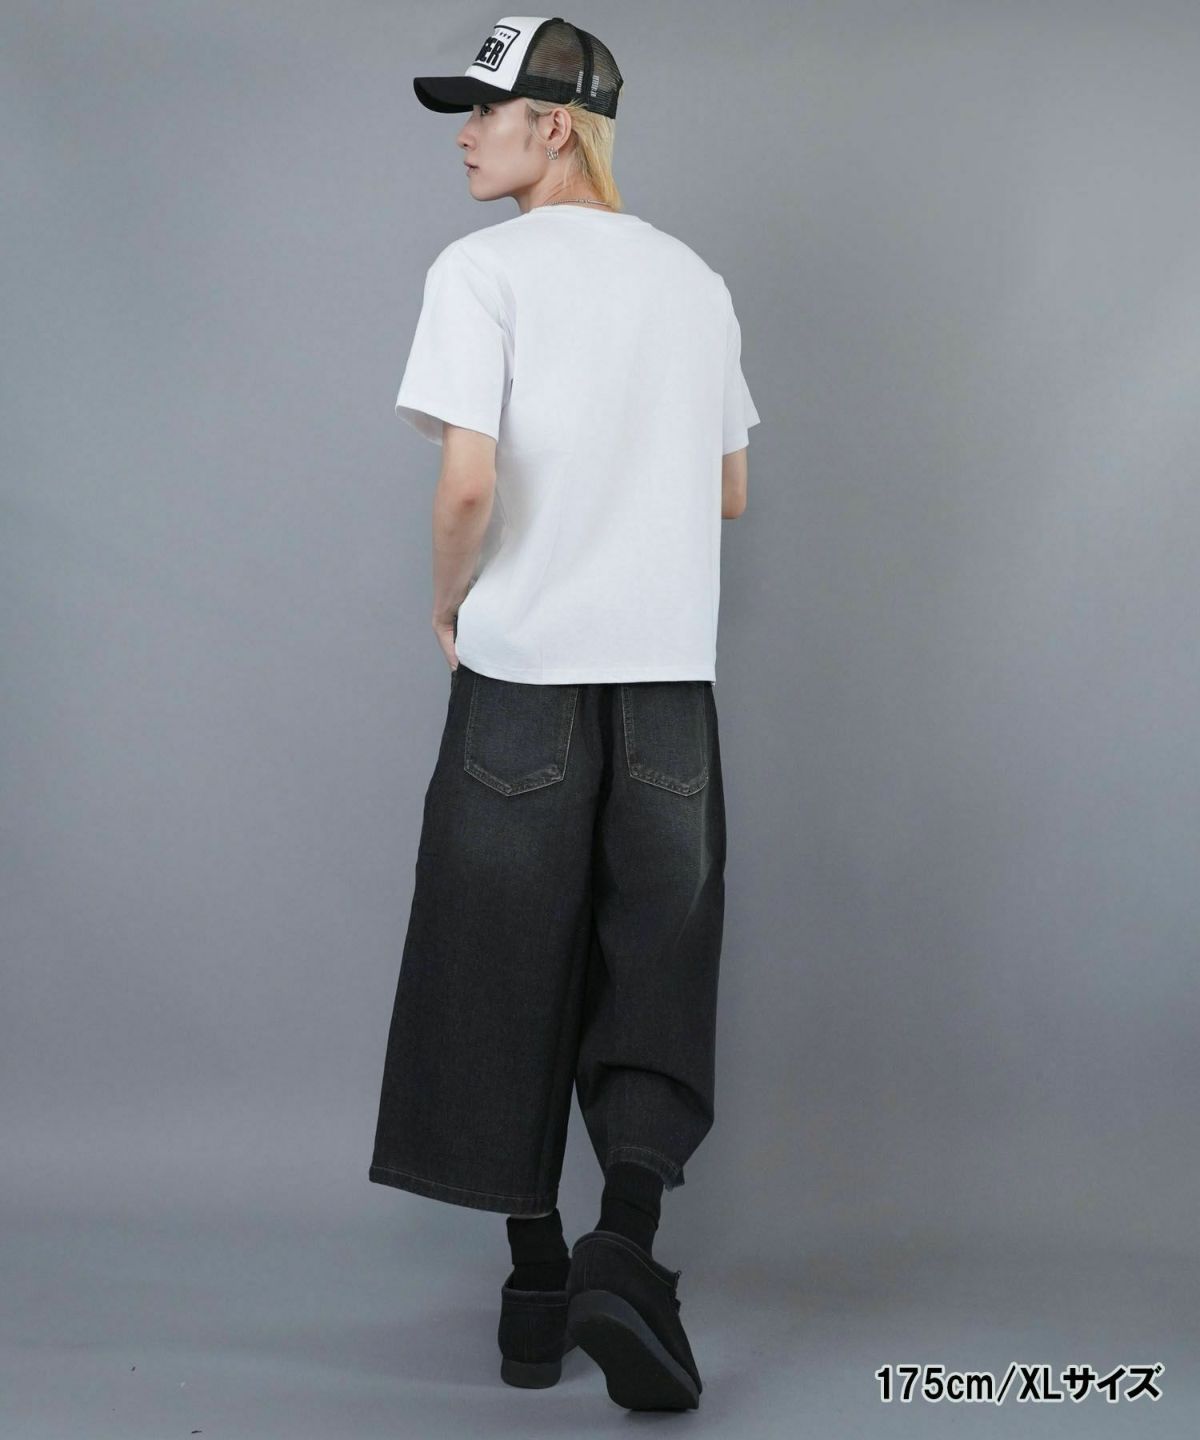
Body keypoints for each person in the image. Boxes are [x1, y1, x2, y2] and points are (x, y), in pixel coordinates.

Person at [367, 15, 761, 1412]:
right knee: (655, 961)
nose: (465, 136)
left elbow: (468, 484)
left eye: (485, 112)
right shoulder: (695, 282)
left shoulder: (481, 272)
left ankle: (536, 1288)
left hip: (523, 675)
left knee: (498, 963)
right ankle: (625, 1251)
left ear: (556, 124)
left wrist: (449, 602)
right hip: (667, 686)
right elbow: (729, 493)